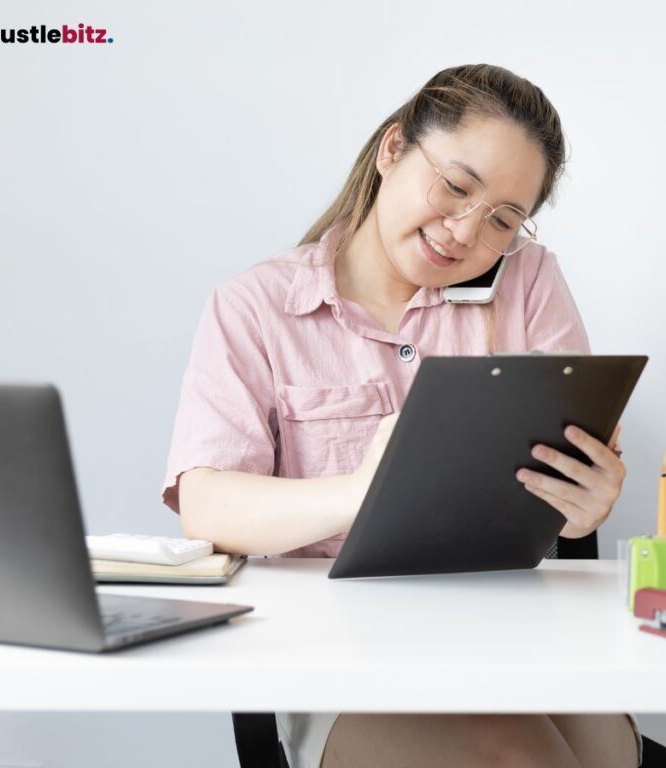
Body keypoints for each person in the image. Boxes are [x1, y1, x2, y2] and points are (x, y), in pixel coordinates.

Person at [161, 64, 641, 768]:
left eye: (503, 219)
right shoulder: (254, 308)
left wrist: (586, 505)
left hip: (514, 632)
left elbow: (568, 494)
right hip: (339, 658)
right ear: (393, 150)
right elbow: (205, 504)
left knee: (609, 754)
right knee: (514, 756)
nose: (464, 232)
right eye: (455, 187)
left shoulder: (530, 280)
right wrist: (358, 490)